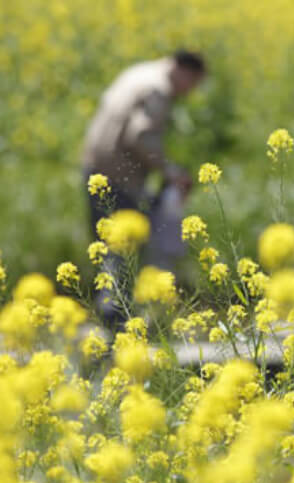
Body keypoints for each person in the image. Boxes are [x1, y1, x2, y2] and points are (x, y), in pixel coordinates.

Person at [82, 50, 206, 324]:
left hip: (93, 169)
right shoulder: (158, 89)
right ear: (186, 72)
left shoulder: (138, 72)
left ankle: (112, 319)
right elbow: (141, 135)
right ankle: (116, 318)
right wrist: (170, 172)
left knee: (107, 244)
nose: (190, 92)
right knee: (122, 247)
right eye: (194, 84)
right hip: (118, 177)